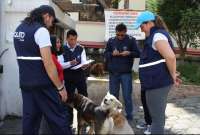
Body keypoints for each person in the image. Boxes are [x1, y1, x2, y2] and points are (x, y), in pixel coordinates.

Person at [13, 5, 71, 135]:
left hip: (26, 84)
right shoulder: (41, 31)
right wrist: (61, 88)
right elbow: (49, 64)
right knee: (58, 117)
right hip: (43, 85)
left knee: (30, 121)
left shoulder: (19, 29)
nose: (51, 25)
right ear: (46, 16)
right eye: (51, 20)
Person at [134, 11, 181, 134]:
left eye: (142, 26)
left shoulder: (157, 36)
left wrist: (173, 75)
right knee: (157, 119)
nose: (141, 29)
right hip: (154, 83)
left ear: (150, 23)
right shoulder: (154, 36)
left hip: (157, 83)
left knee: (157, 121)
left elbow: (170, 57)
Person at [104, 23, 140, 121]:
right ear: (116, 33)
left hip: (126, 73)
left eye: (122, 35)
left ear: (125, 32)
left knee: (127, 95)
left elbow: (138, 53)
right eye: (118, 35)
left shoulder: (131, 40)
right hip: (113, 73)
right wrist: (111, 53)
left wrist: (129, 53)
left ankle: (129, 115)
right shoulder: (111, 41)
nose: (120, 37)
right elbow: (105, 54)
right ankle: (114, 115)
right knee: (113, 96)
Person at [57, 29, 89, 129]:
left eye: (75, 39)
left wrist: (85, 65)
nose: (73, 42)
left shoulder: (81, 48)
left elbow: (83, 61)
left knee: (83, 95)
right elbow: (59, 65)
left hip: (79, 74)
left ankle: (84, 116)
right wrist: (70, 63)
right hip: (67, 76)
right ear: (67, 39)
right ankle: (69, 119)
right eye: (71, 39)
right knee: (68, 98)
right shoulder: (61, 48)